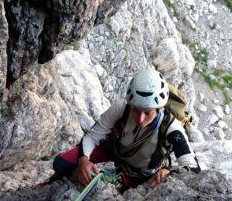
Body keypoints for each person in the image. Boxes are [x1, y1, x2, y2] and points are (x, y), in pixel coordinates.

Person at [52, 67, 200, 189]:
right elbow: (92, 136)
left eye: (147, 113)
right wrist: (84, 159)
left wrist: (169, 171)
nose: (140, 119)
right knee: (61, 163)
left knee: (99, 188)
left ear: (159, 108)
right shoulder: (121, 108)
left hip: (140, 172)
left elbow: (192, 168)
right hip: (113, 150)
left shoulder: (171, 128)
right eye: (136, 110)